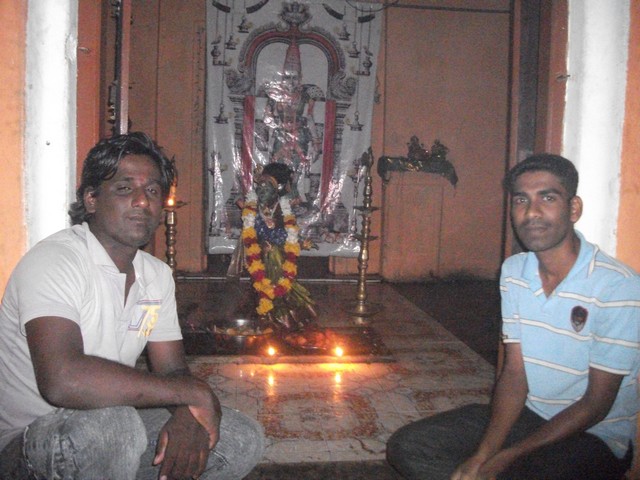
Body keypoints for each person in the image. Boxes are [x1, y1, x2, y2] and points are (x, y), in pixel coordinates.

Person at [0, 132, 264, 480]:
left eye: (153, 190)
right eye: (125, 188)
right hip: (30, 445)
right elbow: (62, 380)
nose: (142, 201)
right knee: (114, 426)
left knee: (238, 438)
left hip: (107, 430)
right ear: (91, 199)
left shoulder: (155, 275)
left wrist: (186, 413)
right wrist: (193, 392)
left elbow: (171, 370)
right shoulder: (56, 260)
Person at [386, 154, 639, 480]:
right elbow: (515, 373)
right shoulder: (514, 271)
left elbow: (596, 404)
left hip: (593, 434)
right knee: (409, 446)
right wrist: (485, 452)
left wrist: (508, 455)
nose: (531, 212)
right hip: (530, 415)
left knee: (513, 472)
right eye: (521, 200)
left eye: (547, 198)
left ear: (574, 209)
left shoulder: (618, 286)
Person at [238, 162, 316, 331]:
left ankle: (282, 317)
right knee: (262, 282)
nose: (261, 191)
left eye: (266, 188)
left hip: (278, 254)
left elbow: (289, 231)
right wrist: (263, 236)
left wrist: (299, 242)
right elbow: (251, 233)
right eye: (260, 187)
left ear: (275, 190)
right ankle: (267, 317)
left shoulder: (282, 207)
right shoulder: (252, 207)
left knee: (281, 278)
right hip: (260, 255)